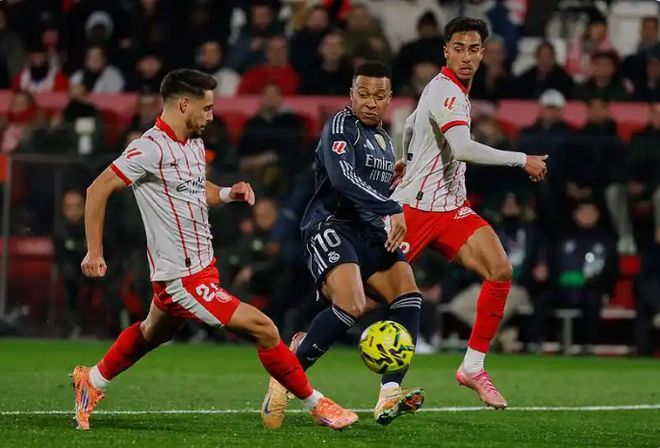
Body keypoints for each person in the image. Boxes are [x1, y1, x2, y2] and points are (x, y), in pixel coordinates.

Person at [71, 69, 357, 432]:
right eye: (206, 108)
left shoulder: (192, 142)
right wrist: (94, 252)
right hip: (182, 278)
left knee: (152, 333)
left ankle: (92, 380)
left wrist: (226, 193)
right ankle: (318, 405)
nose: (211, 115)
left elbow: (195, 188)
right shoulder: (149, 148)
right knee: (265, 329)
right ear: (184, 104)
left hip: (202, 267)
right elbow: (97, 189)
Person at [390, 17, 548, 409]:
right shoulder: (447, 90)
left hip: (450, 208)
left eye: (473, 49)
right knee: (357, 296)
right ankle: (300, 353)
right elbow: (461, 148)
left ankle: (472, 367)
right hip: (413, 209)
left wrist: (405, 157)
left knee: (500, 270)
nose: (466, 56)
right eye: (458, 48)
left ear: (483, 54)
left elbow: (410, 123)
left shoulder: (446, 88)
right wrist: (521, 159)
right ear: (446, 51)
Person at [260, 62, 424, 430]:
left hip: (370, 231)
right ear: (351, 95)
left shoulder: (384, 140)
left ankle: (390, 391)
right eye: (363, 94)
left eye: (378, 96)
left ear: (389, 99)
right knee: (351, 305)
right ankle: (286, 375)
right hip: (332, 225)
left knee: (409, 295)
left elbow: (372, 188)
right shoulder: (339, 126)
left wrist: (392, 183)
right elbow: (342, 179)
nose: (370, 102)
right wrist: (391, 208)